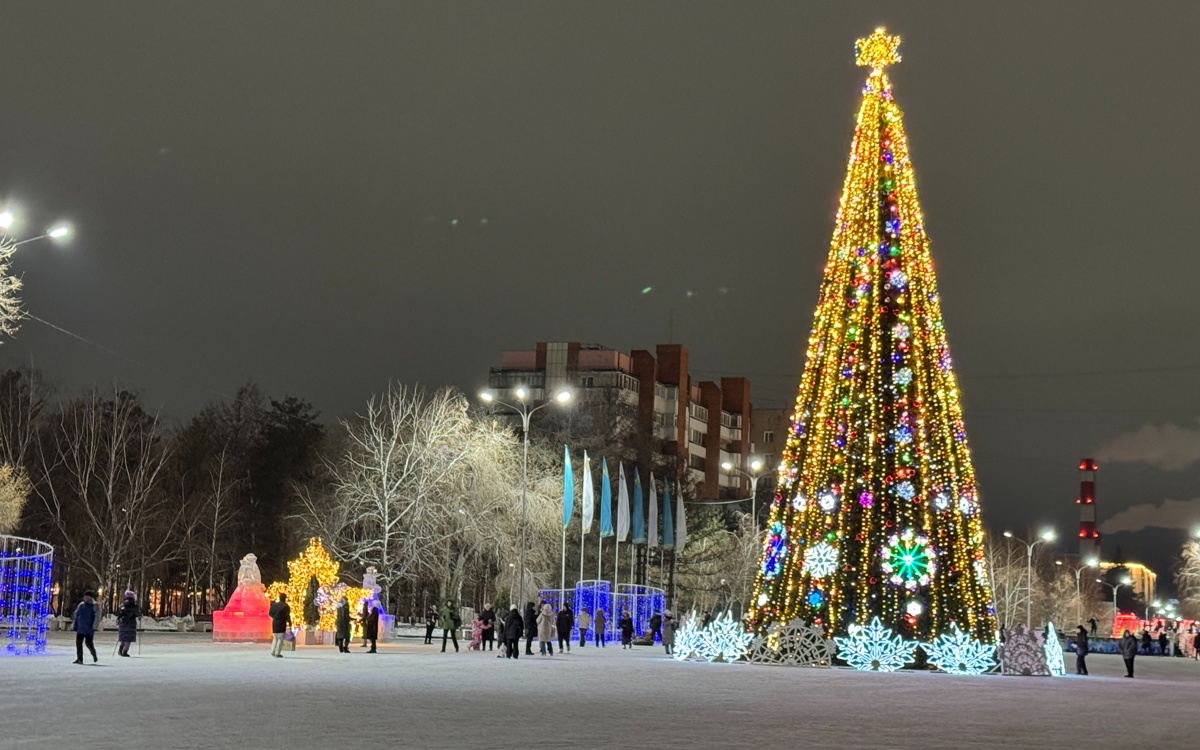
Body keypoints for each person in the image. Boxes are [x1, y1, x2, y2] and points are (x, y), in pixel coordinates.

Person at [72, 591, 98, 665]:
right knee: (78, 644)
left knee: (88, 643)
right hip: (81, 627)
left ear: (90, 597)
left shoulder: (94, 605)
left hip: (89, 628)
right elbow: (76, 614)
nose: (85, 598)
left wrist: (94, 627)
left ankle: (93, 653)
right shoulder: (81, 605)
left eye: (87, 597)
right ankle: (79, 659)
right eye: (84, 596)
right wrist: (75, 624)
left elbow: (97, 616)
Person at [116, 590, 139, 657]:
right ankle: (125, 651)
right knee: (128, 638)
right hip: (131, 623)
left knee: (123, 637)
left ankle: (121, 649)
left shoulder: (122, 604)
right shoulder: (134, 605)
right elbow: (137, 613)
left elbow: (119, 613)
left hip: (123, 623)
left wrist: (119, 619)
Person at [269, 592, 292, 658]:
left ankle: (272, 651)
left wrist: (274, 617)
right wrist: (290, 622)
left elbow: (270, 613)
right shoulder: (285, 606)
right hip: (282, 623)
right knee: (280, 639)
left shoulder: (274, 605)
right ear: (285, 598)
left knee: (275, 638)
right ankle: (277, 653)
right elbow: (287, 616)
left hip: (275, 623)